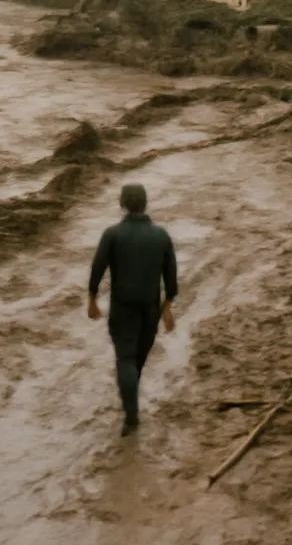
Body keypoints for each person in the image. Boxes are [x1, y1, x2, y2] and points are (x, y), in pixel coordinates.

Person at [88, 183, 178, 436]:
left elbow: (98, 268)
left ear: (122, 204)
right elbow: (170, 274)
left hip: (123, 307)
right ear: (145, 203)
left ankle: (131, 415)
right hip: (150, 308)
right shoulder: (161, 236)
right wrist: (167, 305)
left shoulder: (112, 234)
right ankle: (131, 399)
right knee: (137, 359)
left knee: (125, 358)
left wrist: (92, 297)